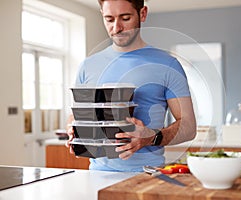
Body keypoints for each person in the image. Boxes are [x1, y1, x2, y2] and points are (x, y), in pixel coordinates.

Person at [66, 0, 196, 172]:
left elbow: (188, 127)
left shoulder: (167, 65)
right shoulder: (88, 65)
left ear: (142, 14)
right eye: (109, 19)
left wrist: (150, 138)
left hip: (146, 175)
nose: (116, 28)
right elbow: (76, 115)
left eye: (125, 18)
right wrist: (73, 129)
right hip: (96, 175)